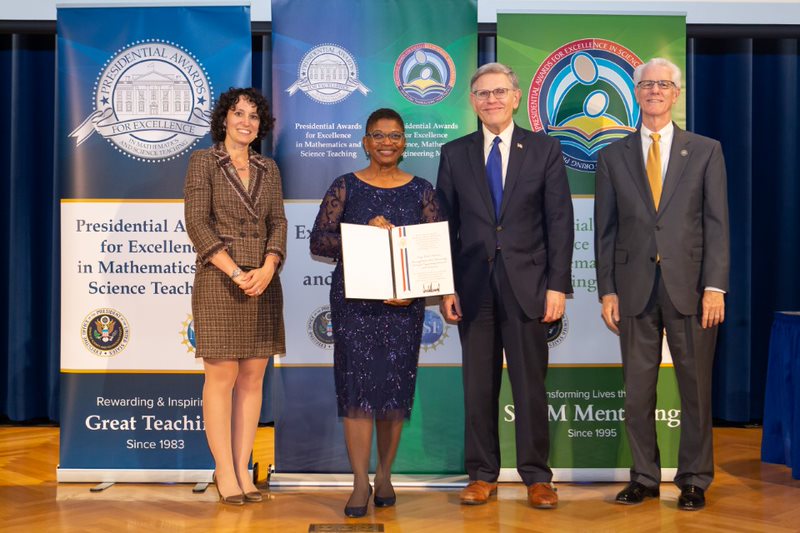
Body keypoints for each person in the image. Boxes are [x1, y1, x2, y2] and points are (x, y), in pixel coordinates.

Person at [436, 63, 574, 509]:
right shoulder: (454, 152)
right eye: (481, 93)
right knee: (478, 386)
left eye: (499, 92)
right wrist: (444, 285)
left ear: (516, 97)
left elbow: (560, 222)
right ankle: (481, 475)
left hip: (529, 286)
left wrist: (558, 286)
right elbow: (444, 226)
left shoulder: (545, 149)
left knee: (530, 386)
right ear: (472, 102)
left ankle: (537, 477)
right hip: (472, 288)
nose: (491, 99)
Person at [594, 57, 729, 511]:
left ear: (676, 94)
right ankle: (644, 477)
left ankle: (693, 479)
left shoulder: (706, 149)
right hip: (632, 288)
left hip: (691, 288)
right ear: (635, 93)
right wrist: (607, 290)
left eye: (663, 84)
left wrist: (716, 286)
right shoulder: (613, 155)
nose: (654, 91)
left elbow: (717, 224)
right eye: (646, 84)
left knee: (695, 389)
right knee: (637, 391)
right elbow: (605, 230)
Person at [310, 108, 443, 518]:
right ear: (365, 142)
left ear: (405, 143)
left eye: (395, 135)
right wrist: (364, 233)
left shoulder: (423, 190)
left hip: (403, 310)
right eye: (378, 135)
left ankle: (385, 475)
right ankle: (358, 482)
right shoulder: (345, 186)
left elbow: (433, 253)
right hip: (355, 308)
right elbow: (319, 242)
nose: (387, 142)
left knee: (393, 392)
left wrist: (415, 292)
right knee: (358, 394)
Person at [184, 87, 286, 505]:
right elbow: (197, 223)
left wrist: (268, 266)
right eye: (238, 113)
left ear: (261, 125)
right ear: (224, 118)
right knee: (221, 379)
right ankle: (223, 471)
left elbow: (278, 221)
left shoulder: (269, 167)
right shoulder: (203, 162)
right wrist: (236, 271)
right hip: (219, 279)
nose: (246, 121)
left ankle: (244, 471)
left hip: (263, 282)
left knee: (252, 380)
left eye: (254, 116)